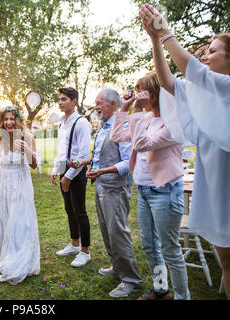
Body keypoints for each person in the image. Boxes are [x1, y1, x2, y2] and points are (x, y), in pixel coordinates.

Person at [140, 4, 230, 299]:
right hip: (214, 189)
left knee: (172, 248)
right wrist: (155, 40)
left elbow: (195, 71)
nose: (206, 55)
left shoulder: (225, 88)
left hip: (185, 190)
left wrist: (166, 31)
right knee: (227, 262)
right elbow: (168, 82)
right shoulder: (205, 94)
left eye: (213, 50)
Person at [110, 72, 190, 300]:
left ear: (155, 93)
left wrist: (135, 112)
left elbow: (142, 144)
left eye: (141, 91)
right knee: (150, 246)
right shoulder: (145, 119)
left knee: (170, 250)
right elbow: (117, 136)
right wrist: (124, 109)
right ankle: (161, 290)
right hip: (144, 190)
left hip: (164, 191)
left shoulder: (173, 122)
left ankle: (183, 297)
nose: (137, 96)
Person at [72, 88, 142, 297]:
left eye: (100, 103)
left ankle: (131, 279)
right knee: (106, 230)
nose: (96, 107)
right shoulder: (102, 127)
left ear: (114, 104)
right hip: (101, 185)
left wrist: (102, 171)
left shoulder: (124, 126)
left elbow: (127, 164)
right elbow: (104, 156)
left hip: (116, 188)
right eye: (96, 103)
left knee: (117, 232)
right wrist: (88, 162)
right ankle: (117, 266)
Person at [0, 106, 40, 285]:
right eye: (5, 119)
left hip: (22, 182)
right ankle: (1, 251)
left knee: (20, 218)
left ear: (18, 120)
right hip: (4, 183)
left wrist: (26, 151)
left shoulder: (28, 138)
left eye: (12, 118)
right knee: (3, 217)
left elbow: (34, 165)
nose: (8, 122)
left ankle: (17, 253)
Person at [50, 87, 92, 268]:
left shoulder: (81, 123)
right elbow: (61, 150)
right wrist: (56, 169)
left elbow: (82, 154)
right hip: (64, 168)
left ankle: (85, 251)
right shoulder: (61, 122)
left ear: (74, 101)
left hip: (77, 170)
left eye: (64, 99)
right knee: (69, 209)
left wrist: (68, 176)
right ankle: (74, 244)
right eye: (59, 99)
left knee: (80, 211)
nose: (60, 102)